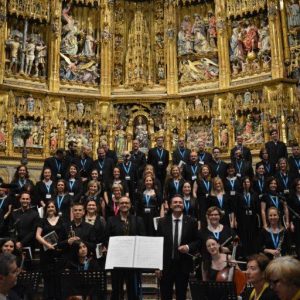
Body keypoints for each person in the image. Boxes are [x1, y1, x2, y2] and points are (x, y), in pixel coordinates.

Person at [156, 195, 200, 300]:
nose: (178, 204)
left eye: (180, 202)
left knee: (181, 295)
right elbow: (157, 244)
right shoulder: (162, 222)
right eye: (175, 202)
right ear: (170, 205)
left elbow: (198, 241)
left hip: (183, 265)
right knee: (165, 295)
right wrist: (157, 266)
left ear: (183, 205)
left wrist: (188, 247)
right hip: (166, 266)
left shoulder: (191, 222)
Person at [105, 196, 145, 300]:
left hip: (133, 261)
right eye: (122, 203)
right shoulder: (111, 220)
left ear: (130, 205)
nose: (124, 205)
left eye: (127, 203)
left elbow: (142, 239)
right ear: (118, 205)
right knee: (116, 290)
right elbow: (106, 238)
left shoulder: (138, 220)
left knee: (132, 290)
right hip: (116, 260)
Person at [35, 201, 68, 300]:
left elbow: (65, 235)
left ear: (55, 208)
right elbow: (37, 235)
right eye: (49, 206)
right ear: (46, 209)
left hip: (59, 253)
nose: (50, 208)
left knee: (58, 280)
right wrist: (47, 244)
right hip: (46, 253)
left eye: (52, 206)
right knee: (48, 280)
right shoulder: (42, 220)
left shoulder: (61, 220)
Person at [235, 177, 260, 258]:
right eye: (244, 182)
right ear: (242, 184)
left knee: (252, 236)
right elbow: (236, 208)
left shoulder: (254, 194)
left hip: (252, 219)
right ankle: (244, 254)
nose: (246, 184)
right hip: (242, 219)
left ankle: (252, 254)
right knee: (243, 236)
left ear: (250, 183)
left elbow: (257, 207)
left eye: (248, 182)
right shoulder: (238, 195)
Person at [289, 178, 300, 259]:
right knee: (298, 240)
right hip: (296, 221)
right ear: (295, 186)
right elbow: (289, 212)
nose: (299, 186)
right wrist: (291, 223)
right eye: (298, 185)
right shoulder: (291, 197)